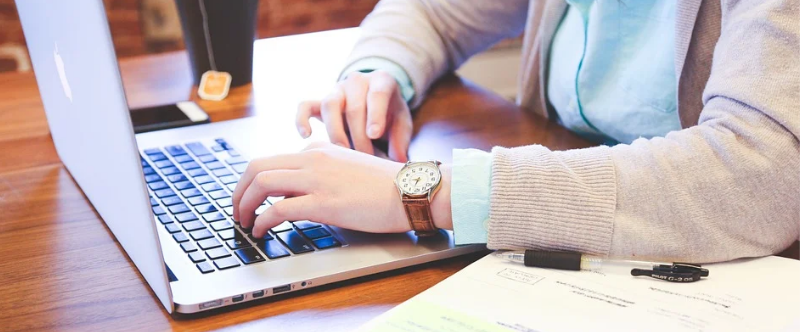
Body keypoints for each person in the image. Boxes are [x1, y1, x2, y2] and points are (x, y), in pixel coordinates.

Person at [232, 0, 799, 263]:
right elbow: (433, 12)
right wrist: (378, 74)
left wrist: (421, 191)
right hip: (574, 240)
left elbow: (759, 173)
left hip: (718, 267)